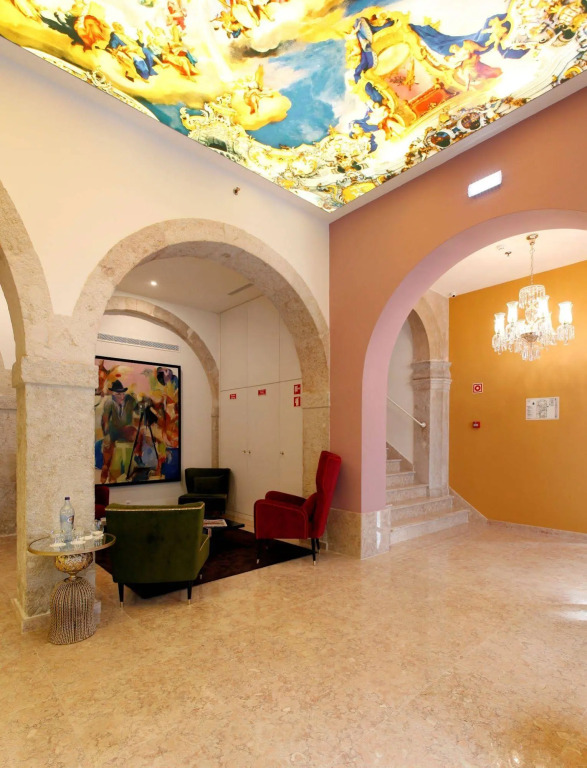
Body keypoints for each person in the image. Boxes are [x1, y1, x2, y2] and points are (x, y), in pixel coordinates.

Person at [100, 379, 138, 483]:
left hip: (125, 429)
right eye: (118, 394)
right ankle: (106, 468)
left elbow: (139, 411)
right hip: (113, 430)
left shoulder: (130, 400)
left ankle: (131, 468)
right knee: (108, 446)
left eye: (123, 393)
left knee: (135, 433)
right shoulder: (109, 402)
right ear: (113, 393)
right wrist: (106, 434)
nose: (121, 396)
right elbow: (105, 420)